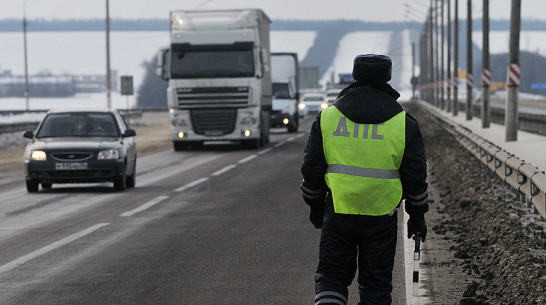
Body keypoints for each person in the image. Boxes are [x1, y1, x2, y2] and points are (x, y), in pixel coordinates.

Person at [300, 54, 428, 305]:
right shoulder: (403, 123)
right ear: (388, 78)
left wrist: (316, 207)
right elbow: (415, 176)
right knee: (376, 286)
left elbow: (312, 170)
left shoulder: (328, 118)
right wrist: (417, 215)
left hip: (338, 212)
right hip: (382, 217)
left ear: (355, 76)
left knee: (332, 277)